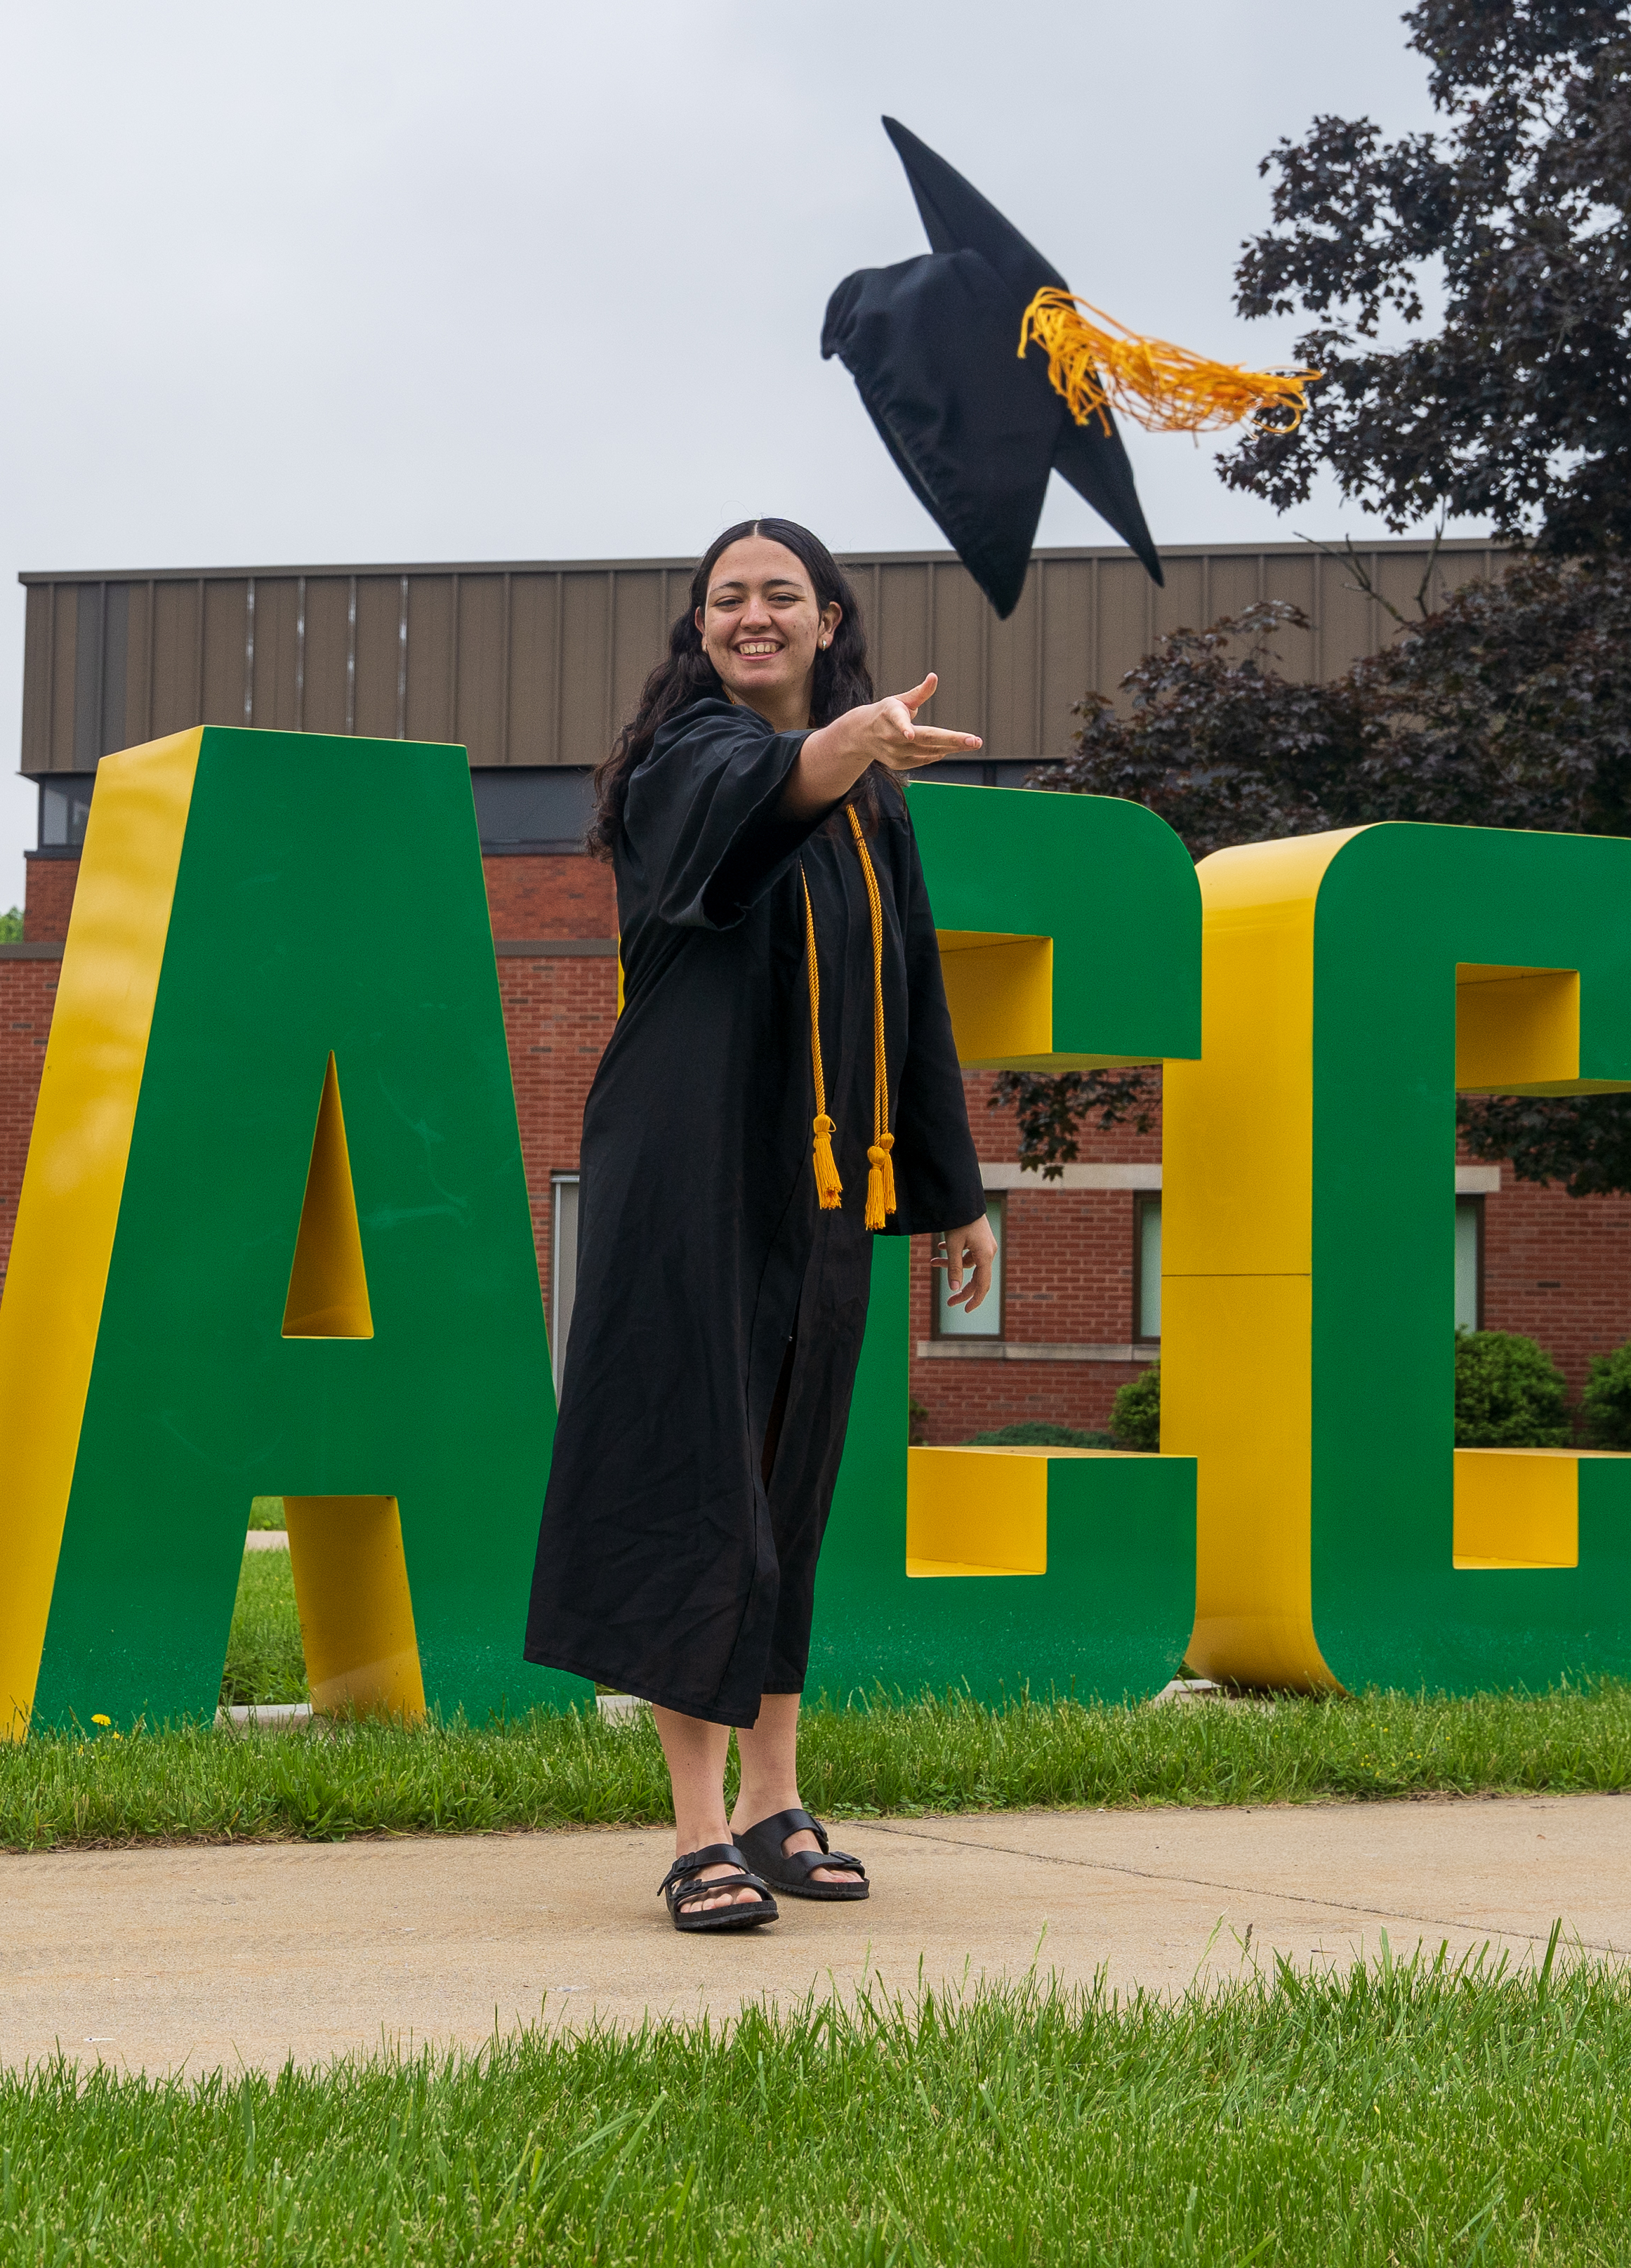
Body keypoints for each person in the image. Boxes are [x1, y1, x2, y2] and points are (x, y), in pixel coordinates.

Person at [524, 517, 997, 1932]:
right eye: (724, 597)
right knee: (697, 1482)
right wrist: (844, 742)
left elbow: (910, 994)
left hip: (827, 1183)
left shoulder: (874, 801)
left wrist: (952, 1186)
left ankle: (772, 1799)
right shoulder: (689, 764)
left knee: (786, 1489)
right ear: (699, 626)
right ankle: (689, 1831)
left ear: (827, 615)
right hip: (689, 1173)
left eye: (777, 594)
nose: (750, 614)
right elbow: (757, 801)